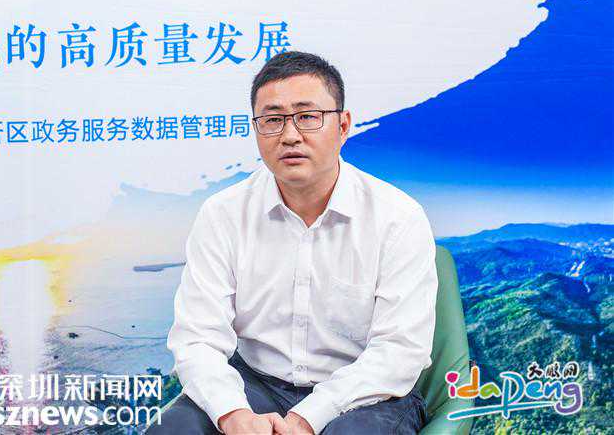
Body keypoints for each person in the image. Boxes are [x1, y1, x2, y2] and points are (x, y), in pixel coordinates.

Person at [147, 51, 437, 435]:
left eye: (307, 116)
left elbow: (399, 351)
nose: (289, 135)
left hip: (366, 393)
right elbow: (198, 337)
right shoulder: (223, 214)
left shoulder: (397, 217)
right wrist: (233, 414)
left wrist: (307, 417)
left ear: (343, 125)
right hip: (256, 383)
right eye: (272, 120)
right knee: (173, 430)